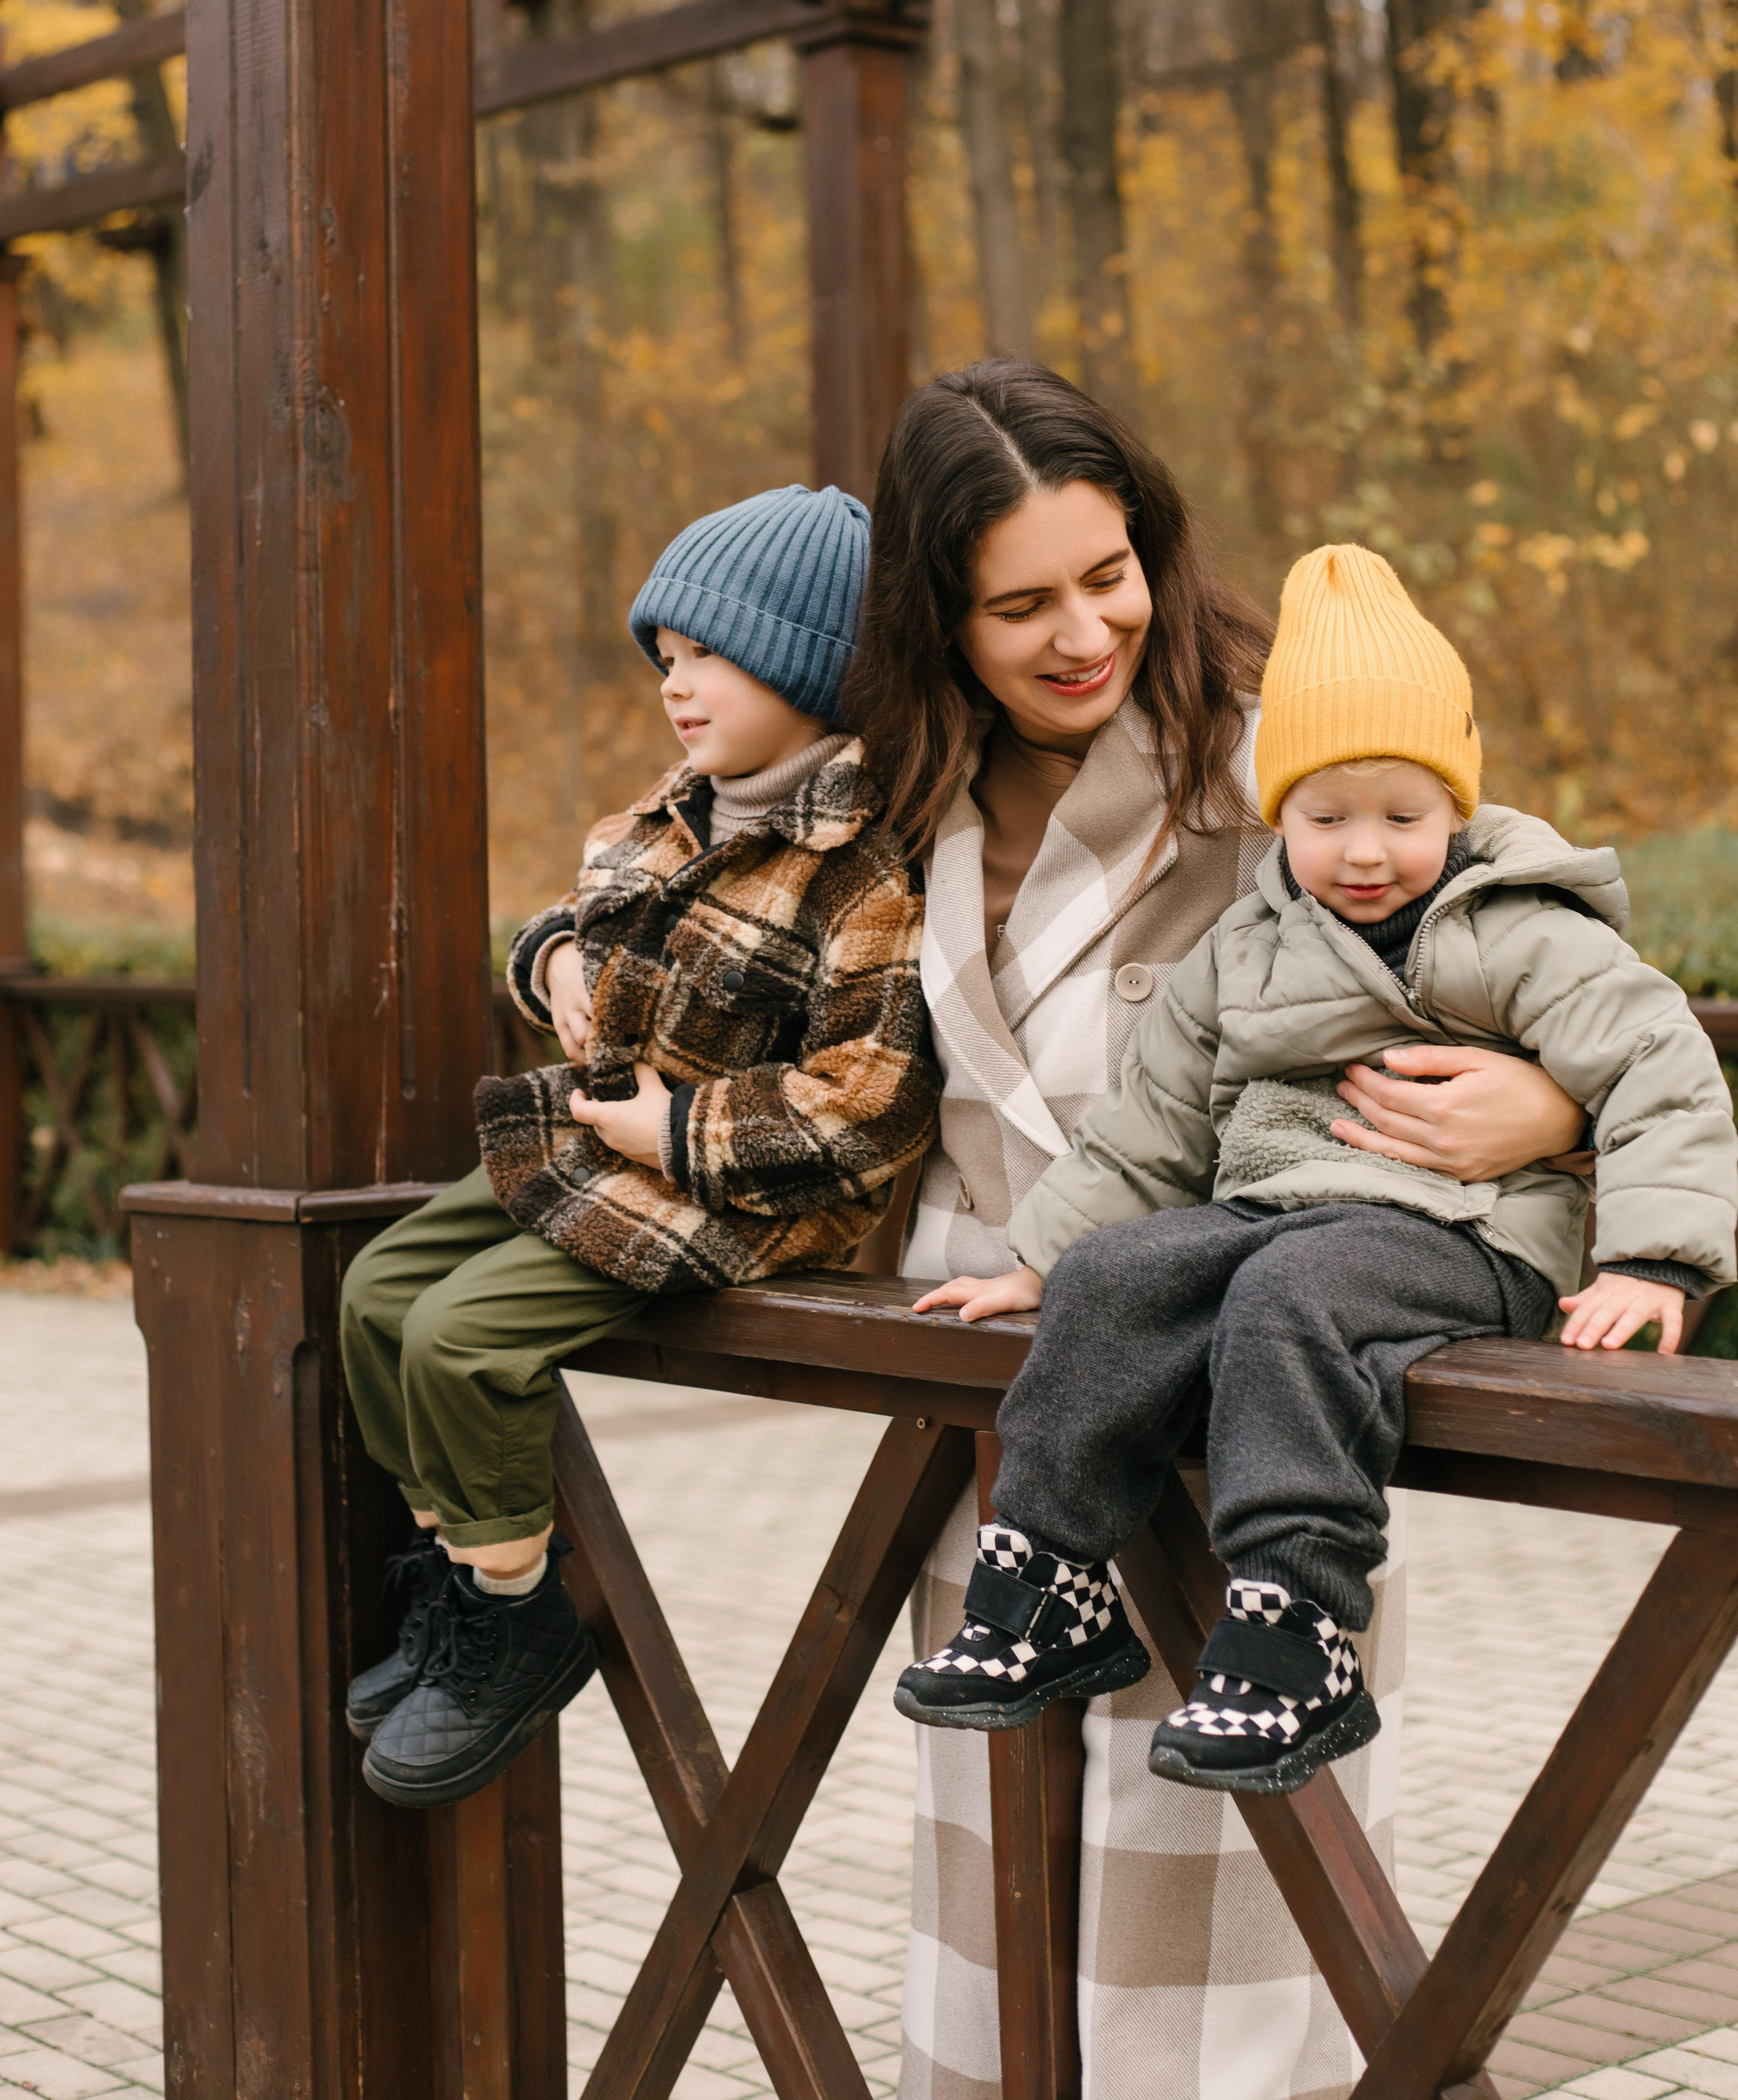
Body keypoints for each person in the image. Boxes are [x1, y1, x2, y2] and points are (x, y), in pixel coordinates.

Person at [847, 362, 1596, 2100]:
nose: (1078, 633)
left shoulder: (1281, 733)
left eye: (1106, 575)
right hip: (1006, 1406)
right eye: (1016, 604)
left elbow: (1547, 923)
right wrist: (554, 963)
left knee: (1243, 1908)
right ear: (934, 617)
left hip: (1249, 1379)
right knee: (1008, 1886)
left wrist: (1543, 1106)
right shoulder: (896, 787)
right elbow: (686, 876)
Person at [900, 541, 1736, 1796]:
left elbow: (1660, 1066)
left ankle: (1297, 1629)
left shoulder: (1515, 928)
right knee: (1123, 1279)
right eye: (1324, 816)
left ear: (1455, 804)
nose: (1363, 851)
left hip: (1468, 1233)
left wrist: (1655, 1262)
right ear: (1278, 813)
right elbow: (1153, 1121)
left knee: (1293, 1300)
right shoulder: (1248, 946)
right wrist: (1042, 1259)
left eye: (1403, 816)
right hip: (1278, 1212)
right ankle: (1048, 1576)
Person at [339, 483, 939, 1810]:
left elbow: (872, 1099)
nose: (677, 686)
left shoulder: (860, 864)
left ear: (807, 665)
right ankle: (464, 1574)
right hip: (600, 1142)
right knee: (376, 1292)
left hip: (745, 1191)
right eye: (665, 659)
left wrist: (681, 1128)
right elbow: (570, 927)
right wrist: (548, 960)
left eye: (710, 655)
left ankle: (517, 1616)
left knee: (462, 1338)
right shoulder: (672, 810)